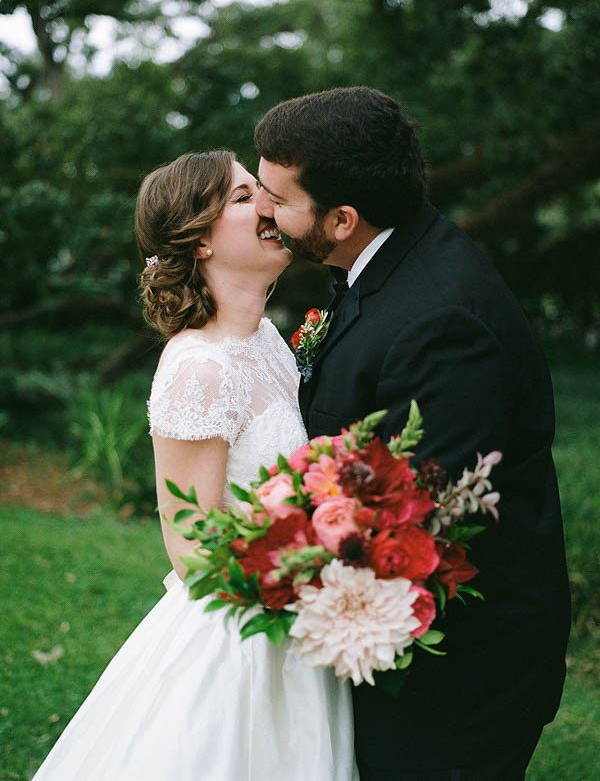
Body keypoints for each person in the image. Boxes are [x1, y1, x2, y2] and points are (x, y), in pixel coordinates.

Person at [254, 86, 571, 781]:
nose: (261, 209)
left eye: (277, 198)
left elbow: (418, 519)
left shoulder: (441, 321)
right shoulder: (386, 261)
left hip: (459, 674)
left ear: (342, 219)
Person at [32, 150, 359, 781]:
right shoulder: (199, 368)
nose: (268, 205)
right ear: (199, 241)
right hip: (242, 635)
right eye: (243, 198)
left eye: (261, 192)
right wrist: (303, 576)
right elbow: (191, 547)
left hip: (301, 620)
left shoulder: (266, 341)